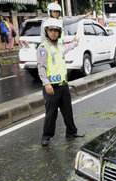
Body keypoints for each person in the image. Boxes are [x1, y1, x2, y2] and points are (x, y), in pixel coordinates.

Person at [37, 18, 83, 146]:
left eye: (56, 31)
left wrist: (75, 43)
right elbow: (41, 67)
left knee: (68, 110)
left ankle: (71, 131)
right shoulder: (43, 48)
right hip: (51, 87)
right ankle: (46, 136)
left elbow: (67, 48)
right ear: (46, 32)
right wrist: (46, 84)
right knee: (51, 113)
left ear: (59, 33)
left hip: (63, 85)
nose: (53, 33)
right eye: (51, 31)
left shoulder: (58, 47)